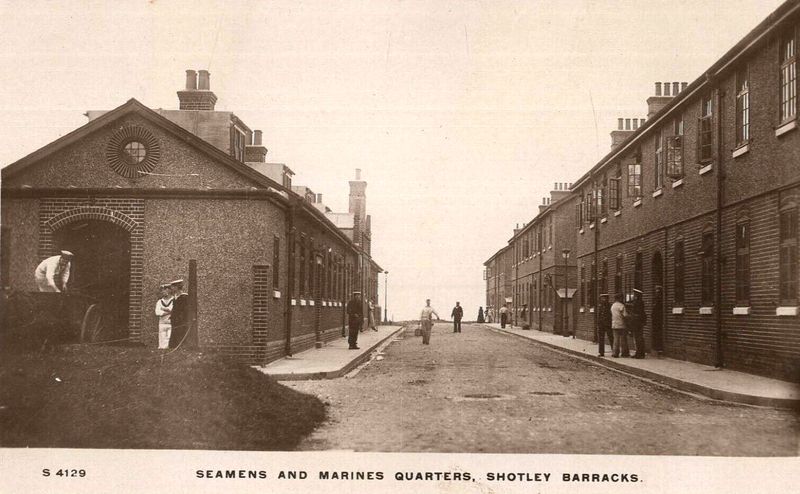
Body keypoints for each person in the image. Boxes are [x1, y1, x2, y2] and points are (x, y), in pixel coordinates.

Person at [167, 279, 188, 349]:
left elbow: (185, 310)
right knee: (174, 336)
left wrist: (180, 318)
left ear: (177, 287)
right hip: (175, 321)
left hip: (181, 321)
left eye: (173, 287)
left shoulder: (184, 297)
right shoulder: (175, 298)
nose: (171, 289)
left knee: (180, 336)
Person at [629, 288, 647, 359]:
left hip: (637, 322)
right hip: (639, 322)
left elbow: (638, 313)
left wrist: (633, 315)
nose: (634, 295)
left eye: (635, 294)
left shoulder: (638, 302)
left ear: (637, 295)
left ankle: (639, 353)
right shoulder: (639, 302)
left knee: (638, 338)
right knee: (639, 337)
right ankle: (640, 353)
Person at [154, 283, 173, 349]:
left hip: (171, 324)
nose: (163, 292)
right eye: (162, 290)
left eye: (165, 290)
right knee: (162, 343)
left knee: (169, 341)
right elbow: (157, 312)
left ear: (169, 290)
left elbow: (174, 310)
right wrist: (169, 312)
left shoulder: (174, 301)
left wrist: (163, 309)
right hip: (162, 324)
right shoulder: (159, 302)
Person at [611, 293, 629, 358]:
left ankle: (615, 353)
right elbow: (625, 315)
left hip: (614, 324)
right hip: (621, 324)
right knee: (623, 339)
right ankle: (624, 353)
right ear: (620, 298)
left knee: (616, 339)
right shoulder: (621, 306)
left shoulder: (613, 306)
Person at [652, 285, 664, 354]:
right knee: (656, 332)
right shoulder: (656, 299)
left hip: (658, 318)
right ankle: (657, 346)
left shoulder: (659, 299)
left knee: (658, 332)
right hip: (656, 319)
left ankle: (659, 347)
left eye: (658, 290)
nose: (656, 292)